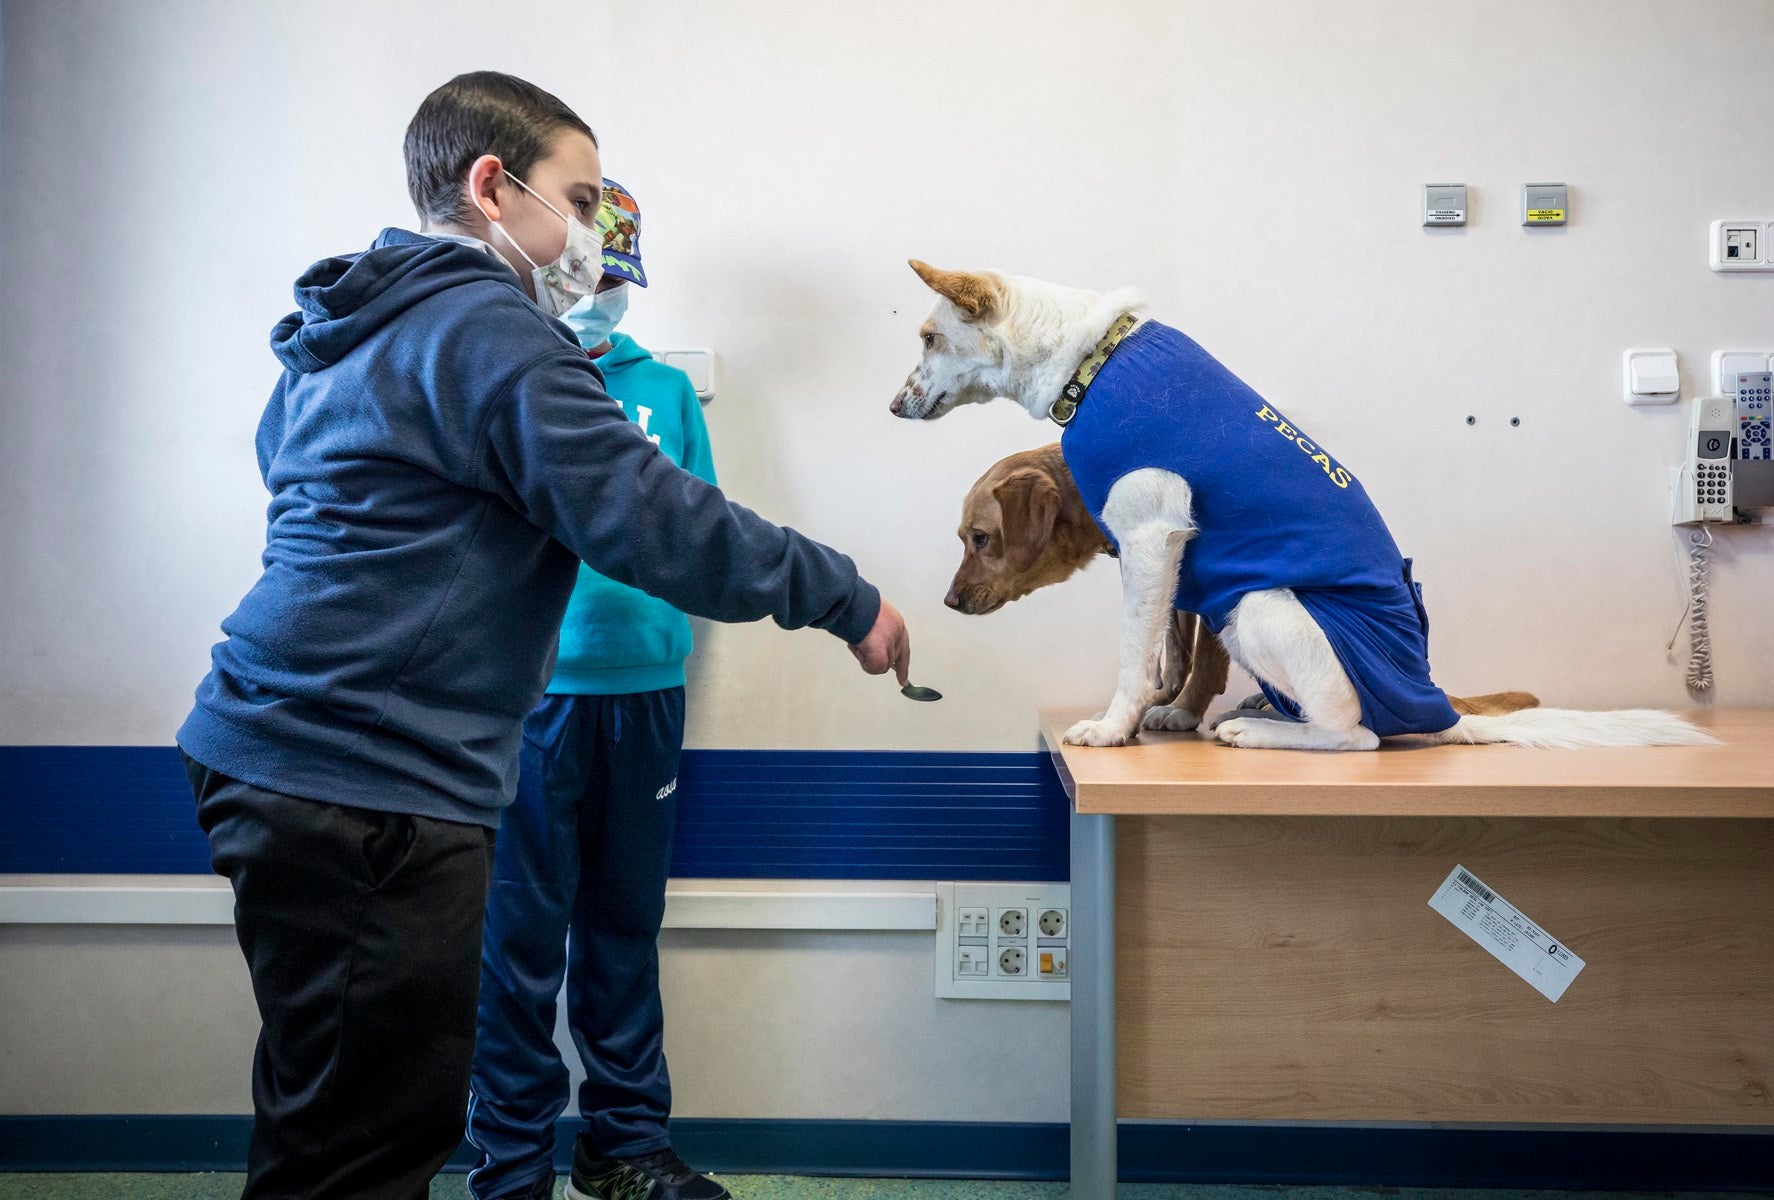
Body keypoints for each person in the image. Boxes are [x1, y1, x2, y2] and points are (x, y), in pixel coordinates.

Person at [176, 71, 909, 1200]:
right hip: (361, 782)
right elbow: (652, 516)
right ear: (491, 186)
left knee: (326, 1107)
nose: (586, 233)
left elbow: (295, 485)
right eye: (575, 197)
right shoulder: (487, 326)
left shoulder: (355, 318)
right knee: (361, 1146)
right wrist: (846, 599)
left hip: (271, 748)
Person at [465, 181, 729, 1200]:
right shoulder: (505, 380)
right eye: (587, 272)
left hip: (647, 693)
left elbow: (706, 532)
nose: (600, 293)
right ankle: (514, 1163)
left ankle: (624, 1148)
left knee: (624, 928)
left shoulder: (661, 390)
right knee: (519, 940)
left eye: (615, 275)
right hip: (529, 697)